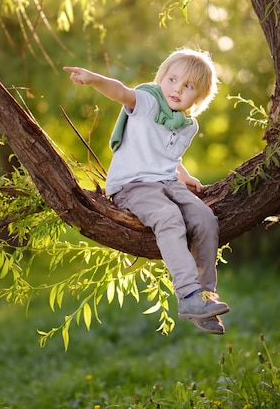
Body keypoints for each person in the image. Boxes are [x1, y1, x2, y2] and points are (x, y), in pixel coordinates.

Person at [63, 48, 230, 335]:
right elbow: (121, 92)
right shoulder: (149, 102)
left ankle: (205, 296)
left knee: (204, 219)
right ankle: (188, 294)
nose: (177, 89)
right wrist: (93, 79)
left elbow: (168, 157)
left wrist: (185, 176)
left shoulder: (188, 125)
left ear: (198, 98)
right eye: (173, 79)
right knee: (168, 218)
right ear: (161, 78)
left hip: (167, 181)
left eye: (188, 86)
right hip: (134, 185)